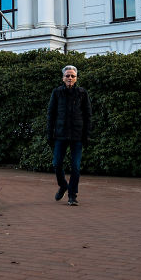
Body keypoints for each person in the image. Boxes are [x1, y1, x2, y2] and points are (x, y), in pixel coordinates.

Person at [46, 65, 92, 206]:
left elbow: (88, 115)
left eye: (72, 76)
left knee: (76, 167)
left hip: (77, 136)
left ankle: (72, 195)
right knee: (57, 164)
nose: (70, 78)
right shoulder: (57, 92)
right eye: (67, 76)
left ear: (76, 78)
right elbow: (51, 114)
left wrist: (86, 134)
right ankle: (63, 185)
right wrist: (50, 133)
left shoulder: (82, 93)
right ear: (63, 78)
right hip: (60, 135)